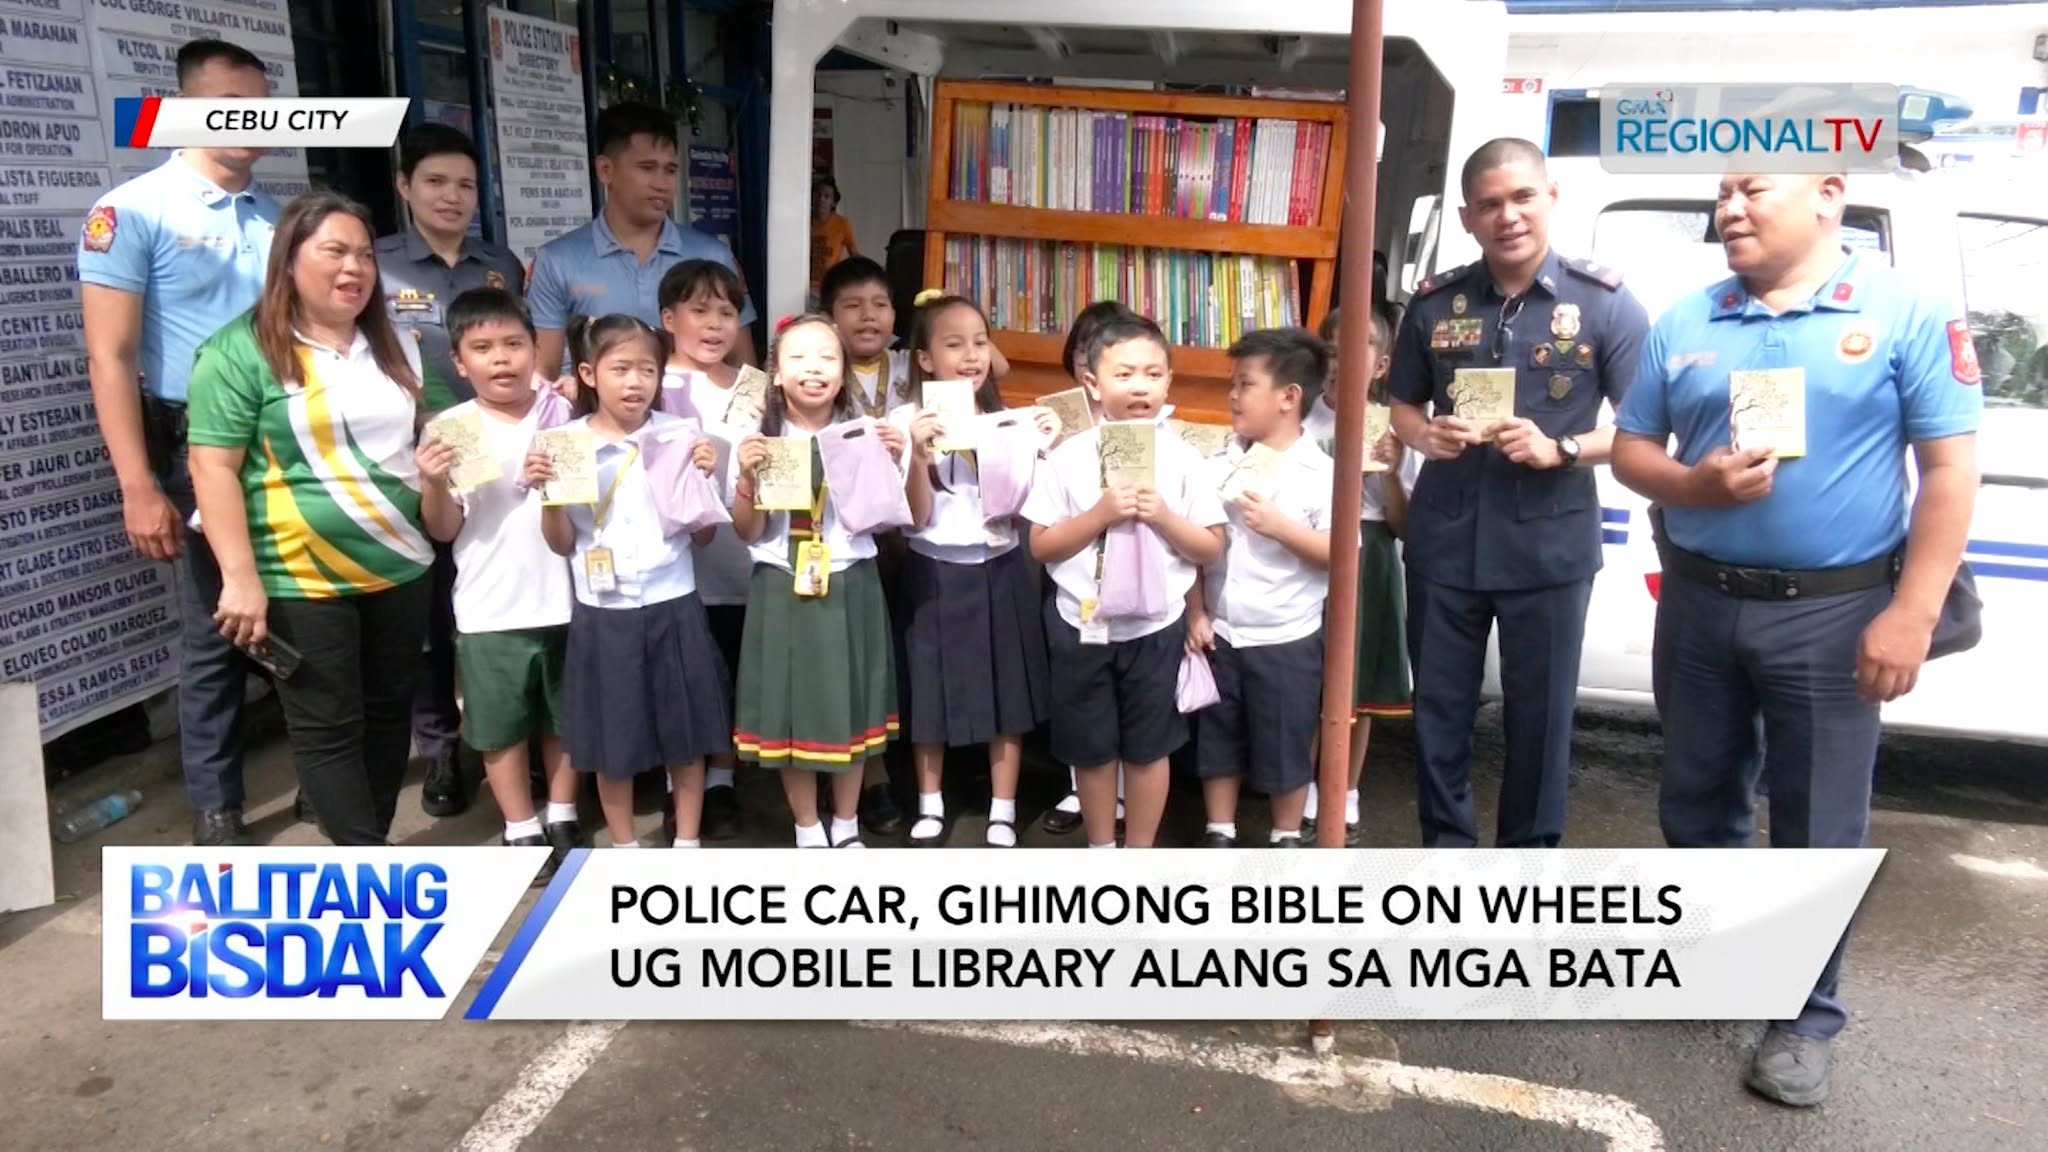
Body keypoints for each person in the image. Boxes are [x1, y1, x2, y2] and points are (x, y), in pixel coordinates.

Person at [1610, 169, 1980, 1106]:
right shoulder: (1687, 320)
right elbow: (1633, 449)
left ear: (1827, 194)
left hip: (1835, 613)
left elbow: (1948, 470)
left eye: (1752, 188)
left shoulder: (1903, 311)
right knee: (1698, 800)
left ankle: (1807, 1016)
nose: (1728, 209)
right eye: (1720, 194)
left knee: (1817, 821)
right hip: (1700, 603)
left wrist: (1912, 613)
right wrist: (1693, 486)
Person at [1388, 137, 1650, 849]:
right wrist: (1424, 436)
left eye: (1523, 197)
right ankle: (1447, 858)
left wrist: (1561, 448)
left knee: (1540, 723)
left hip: (1549, 547)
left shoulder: (1604, 305)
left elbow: (1644, 429)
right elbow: (1401, 405)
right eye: (1490, 204)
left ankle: (1526, 869)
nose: (1508, 216)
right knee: (1439, 716)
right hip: (1446, 543)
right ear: (1467, 218)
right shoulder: (1435, 303)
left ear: (1551, 198)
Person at [184, 192, 437, 847]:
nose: (354, 268)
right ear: (289, 260)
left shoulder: (397, 343)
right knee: (328, 728)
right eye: (334, 252)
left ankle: (368, 851)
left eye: (365, 255)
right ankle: (366, 867)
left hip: (402, 565)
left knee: (389, 716)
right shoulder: (238, 352)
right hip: (299, 575)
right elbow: (212, 468)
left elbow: (422, 437)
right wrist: (239, 578)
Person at [79, 38, 276, 847]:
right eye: (230, 107)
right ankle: (217, 809)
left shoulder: (279, 217)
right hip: (194, 452)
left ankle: (326, 783)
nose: (250, 123)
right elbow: (110, 356)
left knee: (308, 610)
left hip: (287, 446)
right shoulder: (133, 210)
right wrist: (138, 484)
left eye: (261, 109)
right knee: (214, 629)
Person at [1024, 313, 1227, 849]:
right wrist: (1100, 515)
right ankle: (1100, 850)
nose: (1140, 386)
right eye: (1125, 374)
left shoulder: (1183, 458)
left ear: (1169, 381)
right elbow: (1041, 545)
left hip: (1155, 627)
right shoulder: (1068, 457)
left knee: (1149, 747)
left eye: (1153, 374)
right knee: (1091, 749)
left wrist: (1163, 516)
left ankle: (1139, 855)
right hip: (1082, 624)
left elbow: (1210, 546)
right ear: (1092, 383)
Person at [378, 121, 529, 819]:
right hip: (414, 455)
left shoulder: (499, 264)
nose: (452, 196)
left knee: (497, 598)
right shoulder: (377, 264)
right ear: (404, 186)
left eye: (466, 184)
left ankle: (517, 736)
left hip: (498, 452)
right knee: (432, 612)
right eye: (436, 181)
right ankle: (441, 747)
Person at [538, 314, 731, 849]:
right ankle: (624, 847)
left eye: (648, 370)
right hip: (603, 611)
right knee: (612, 741)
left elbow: (703, 538)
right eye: (620, 368)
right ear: (588, 374)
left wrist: (704, 478)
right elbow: (560, 542)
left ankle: (686, 842)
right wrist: (549, 496)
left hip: (674, 602)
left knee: (685, 734)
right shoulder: (564, 444)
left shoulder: (679, 435)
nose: (635, 382)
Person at [414, 289, 580, 883]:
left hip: (570, 597)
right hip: (490, 606)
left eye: (514, 344)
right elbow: (444, 529)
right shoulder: (450, 429)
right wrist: (433, 484)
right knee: (500, 724)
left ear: (536, 349)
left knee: (565, 716)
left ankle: (562, 812)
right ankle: (519, 824)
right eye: (482, 348)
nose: (501, 358)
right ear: (459, 363)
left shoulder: (564, 416)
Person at [730, 315, 911, 848]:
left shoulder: (865, 434)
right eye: (799, 358)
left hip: (850, 579)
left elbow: (886, 520)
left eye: (828, 358)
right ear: (776, 374)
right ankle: (807, 827)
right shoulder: (759, 439)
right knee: (792, 710)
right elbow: (748, 530)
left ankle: (848, 823)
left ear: (844, 371)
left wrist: (892, 460)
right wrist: (746, 476)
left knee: (850, 705)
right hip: (781, 582)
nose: (814, 369)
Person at [890, 295, 1057, 847]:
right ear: (924, 359)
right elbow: (913, 517)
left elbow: (1027, 509)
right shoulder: (903, 422)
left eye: (980, 343)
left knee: (1006, 686)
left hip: (999, 565)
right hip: (932, 569)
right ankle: (930, 802)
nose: (970, 355)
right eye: (954, 344)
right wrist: (918, 455)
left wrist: (1040, 445)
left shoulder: (1007, 420)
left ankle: (1003, 807)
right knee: (928, 687)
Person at [1185, 328, 1335, 848]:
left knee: (1286, 738)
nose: (1233, 395)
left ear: (1289, 397)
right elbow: (1194, 549)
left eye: (1245, 384)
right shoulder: (1216, 465)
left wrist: (1280, 528)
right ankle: (1219, 828)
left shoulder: (1322, 472)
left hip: (1287, 634)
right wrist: (1196, 612)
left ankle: (1286, 833)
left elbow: (1342, 554)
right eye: (1233, 383)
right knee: (1218, 735)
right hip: (1222, 629)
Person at [527, 102, 757, 379]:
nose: (661, 183)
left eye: (670, 170)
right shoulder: (557, 260)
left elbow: (744, 366)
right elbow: (543, 373)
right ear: (605, 170)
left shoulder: (713, 256)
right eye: (647, 168)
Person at [1303, 303, 1418, 845]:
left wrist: (1391, 471)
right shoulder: (1300, 417)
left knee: (1360, 681)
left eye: (1357, 350)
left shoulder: (1395, 426)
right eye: (1330, 352)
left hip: (1370, 551)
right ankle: (1304, 783)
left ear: (1381, 364)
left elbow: (1403, 525)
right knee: (1311, 671)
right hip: (1308, 547)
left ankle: (1346, 789)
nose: (1340, 363)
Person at [655, 259, 757, 839]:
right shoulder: (653, 382)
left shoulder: (754, 386)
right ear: (669, 319)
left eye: (726, 311)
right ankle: (680, 789)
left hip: (743, 562)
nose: (715, 324)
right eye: (699, 310)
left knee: (732, 677)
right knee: (687, 685)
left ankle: (721, 783)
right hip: (677, 570)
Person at [1038, 300, 1136, 836]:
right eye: (1080, 351)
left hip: (1138, 592)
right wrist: (1041, 447)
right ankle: (1082, 789)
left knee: (1130, 704)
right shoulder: (1057, 419)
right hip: (1077, 586)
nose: (1085, 361)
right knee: (1081, 700)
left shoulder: (1148, 422)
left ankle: (1122, 794)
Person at [809, 177, 859, 302]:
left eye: (826, 196)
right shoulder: (803, 222)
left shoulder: (842, 224)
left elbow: (854, 254)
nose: (821, 199)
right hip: (803, 286)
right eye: (818, 194)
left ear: (833, 202)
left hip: (829, 286)